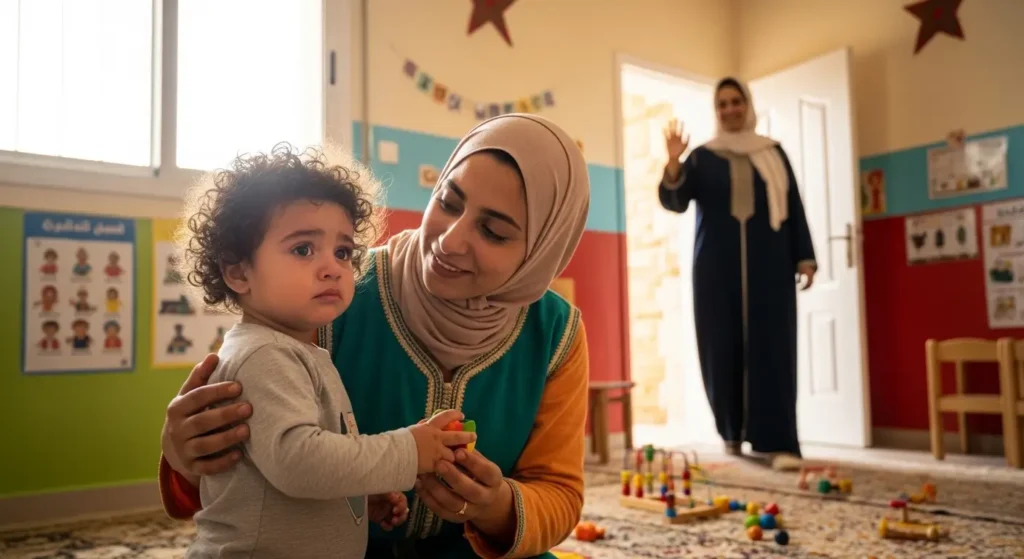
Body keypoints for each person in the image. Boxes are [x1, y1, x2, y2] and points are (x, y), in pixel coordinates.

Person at [157, 114, 592, 558]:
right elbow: (246, 479)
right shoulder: (329, 298)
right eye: (449, 201)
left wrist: (493, 505)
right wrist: (183, 456)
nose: (450, 241)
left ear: (541, 250)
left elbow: (558, 494)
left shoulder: (556, 334)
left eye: (494, 231)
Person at [173, 144, 477, 558]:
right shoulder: (265, 356)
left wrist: (353, 497)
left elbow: (292, 475)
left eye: (343, 252)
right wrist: (410, 450)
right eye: (303, 249)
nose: (333, 267)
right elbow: (299, 462)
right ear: (238, 271)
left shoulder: (299, 350)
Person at [658, 77, 816, 470]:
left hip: (770, 268)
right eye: (722, 104)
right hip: (715, 268)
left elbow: (792, 206)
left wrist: (805, 257)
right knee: (720, 346)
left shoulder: (773, 153)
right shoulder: (702, 156)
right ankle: (731, 430)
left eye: (736, 102)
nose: (730, 110)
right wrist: (674, 164)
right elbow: (675, 202)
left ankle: (778, 441)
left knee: (773, 348)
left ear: (748, 105)